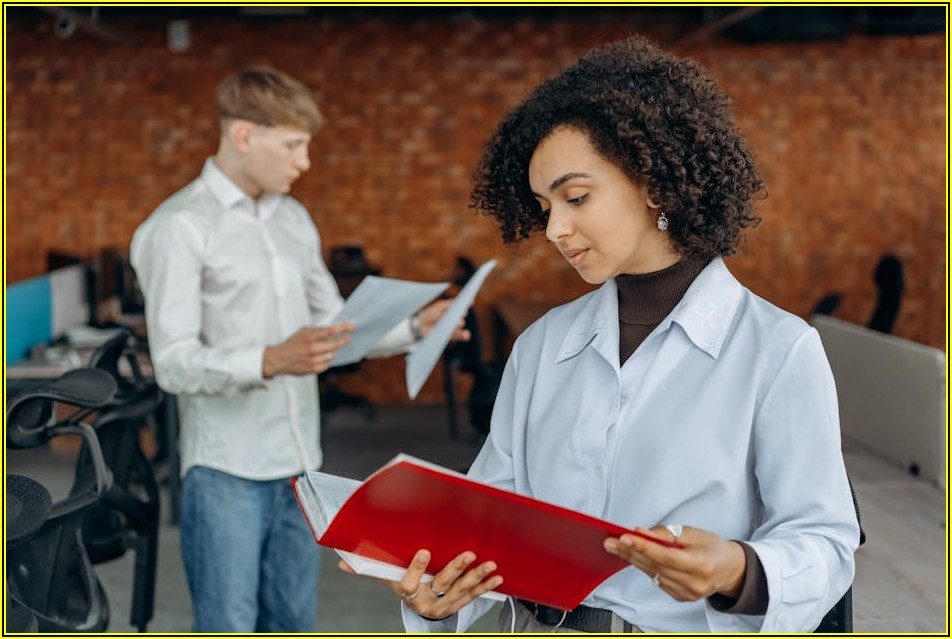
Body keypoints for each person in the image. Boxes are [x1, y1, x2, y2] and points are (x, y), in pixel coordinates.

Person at [348, 35, 861, 632]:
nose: (555, 229)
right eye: (543, 208)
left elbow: (824, 542)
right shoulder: (542, 346)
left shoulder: (777, 349)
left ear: (653, 183)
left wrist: (736, 572)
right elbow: (488, 521)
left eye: (577, 197)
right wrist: (438, 595)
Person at [130, 67, 464, 632]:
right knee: (227, 626)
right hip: (225, 472)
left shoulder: (293, 219)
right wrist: (270, 359)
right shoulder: (178, 229)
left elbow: (336, 329)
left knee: (291, 623)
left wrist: (413, 328)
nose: (304, 162)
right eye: (292, 146)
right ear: (243, 137)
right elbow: (173, 363)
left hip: (302, 470)